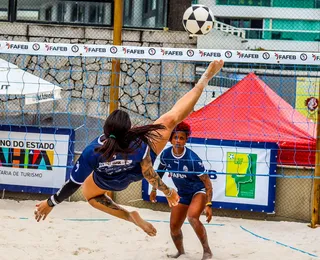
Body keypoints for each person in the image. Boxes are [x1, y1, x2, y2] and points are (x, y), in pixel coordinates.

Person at [34, 60, 224, 238]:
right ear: (129, 129)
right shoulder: (139, 143)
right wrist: (168, 192)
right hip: (134, 173)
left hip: (107, 182)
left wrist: (50, 203)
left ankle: (128, 215)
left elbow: (72, 184)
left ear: (105, 130)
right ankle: (204, 79)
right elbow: (149, 174)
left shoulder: (93, 151)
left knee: (89, 195)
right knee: (171, 119)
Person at [150, 121, 213, 259]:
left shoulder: (192, 159)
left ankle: (207, 251)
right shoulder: (166, 155)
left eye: (181, 138)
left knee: (192, 217)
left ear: (186, 140)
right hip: (183, 193)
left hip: (198, 191)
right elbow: (158, 174)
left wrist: (208, 205)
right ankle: (181, 252)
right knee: (174, 226)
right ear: (171, 139)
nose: (178, 140)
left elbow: (207, 183)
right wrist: (154, 190)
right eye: (175, 137)